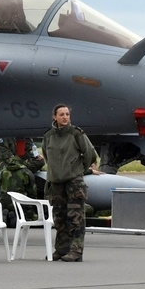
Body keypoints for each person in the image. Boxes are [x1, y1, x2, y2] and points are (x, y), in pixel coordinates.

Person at [42, 104, 98, 262]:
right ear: (54, 117)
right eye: (61, 114)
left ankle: (76, 250)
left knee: (75, 216)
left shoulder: (76, 134)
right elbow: (47, 155)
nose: (65, 117)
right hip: (56, 182)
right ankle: (61, 249)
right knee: (59, 217)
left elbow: (90, 154)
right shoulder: (48, 136)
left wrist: (78, 169)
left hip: (73, 182)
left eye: (67, 114)